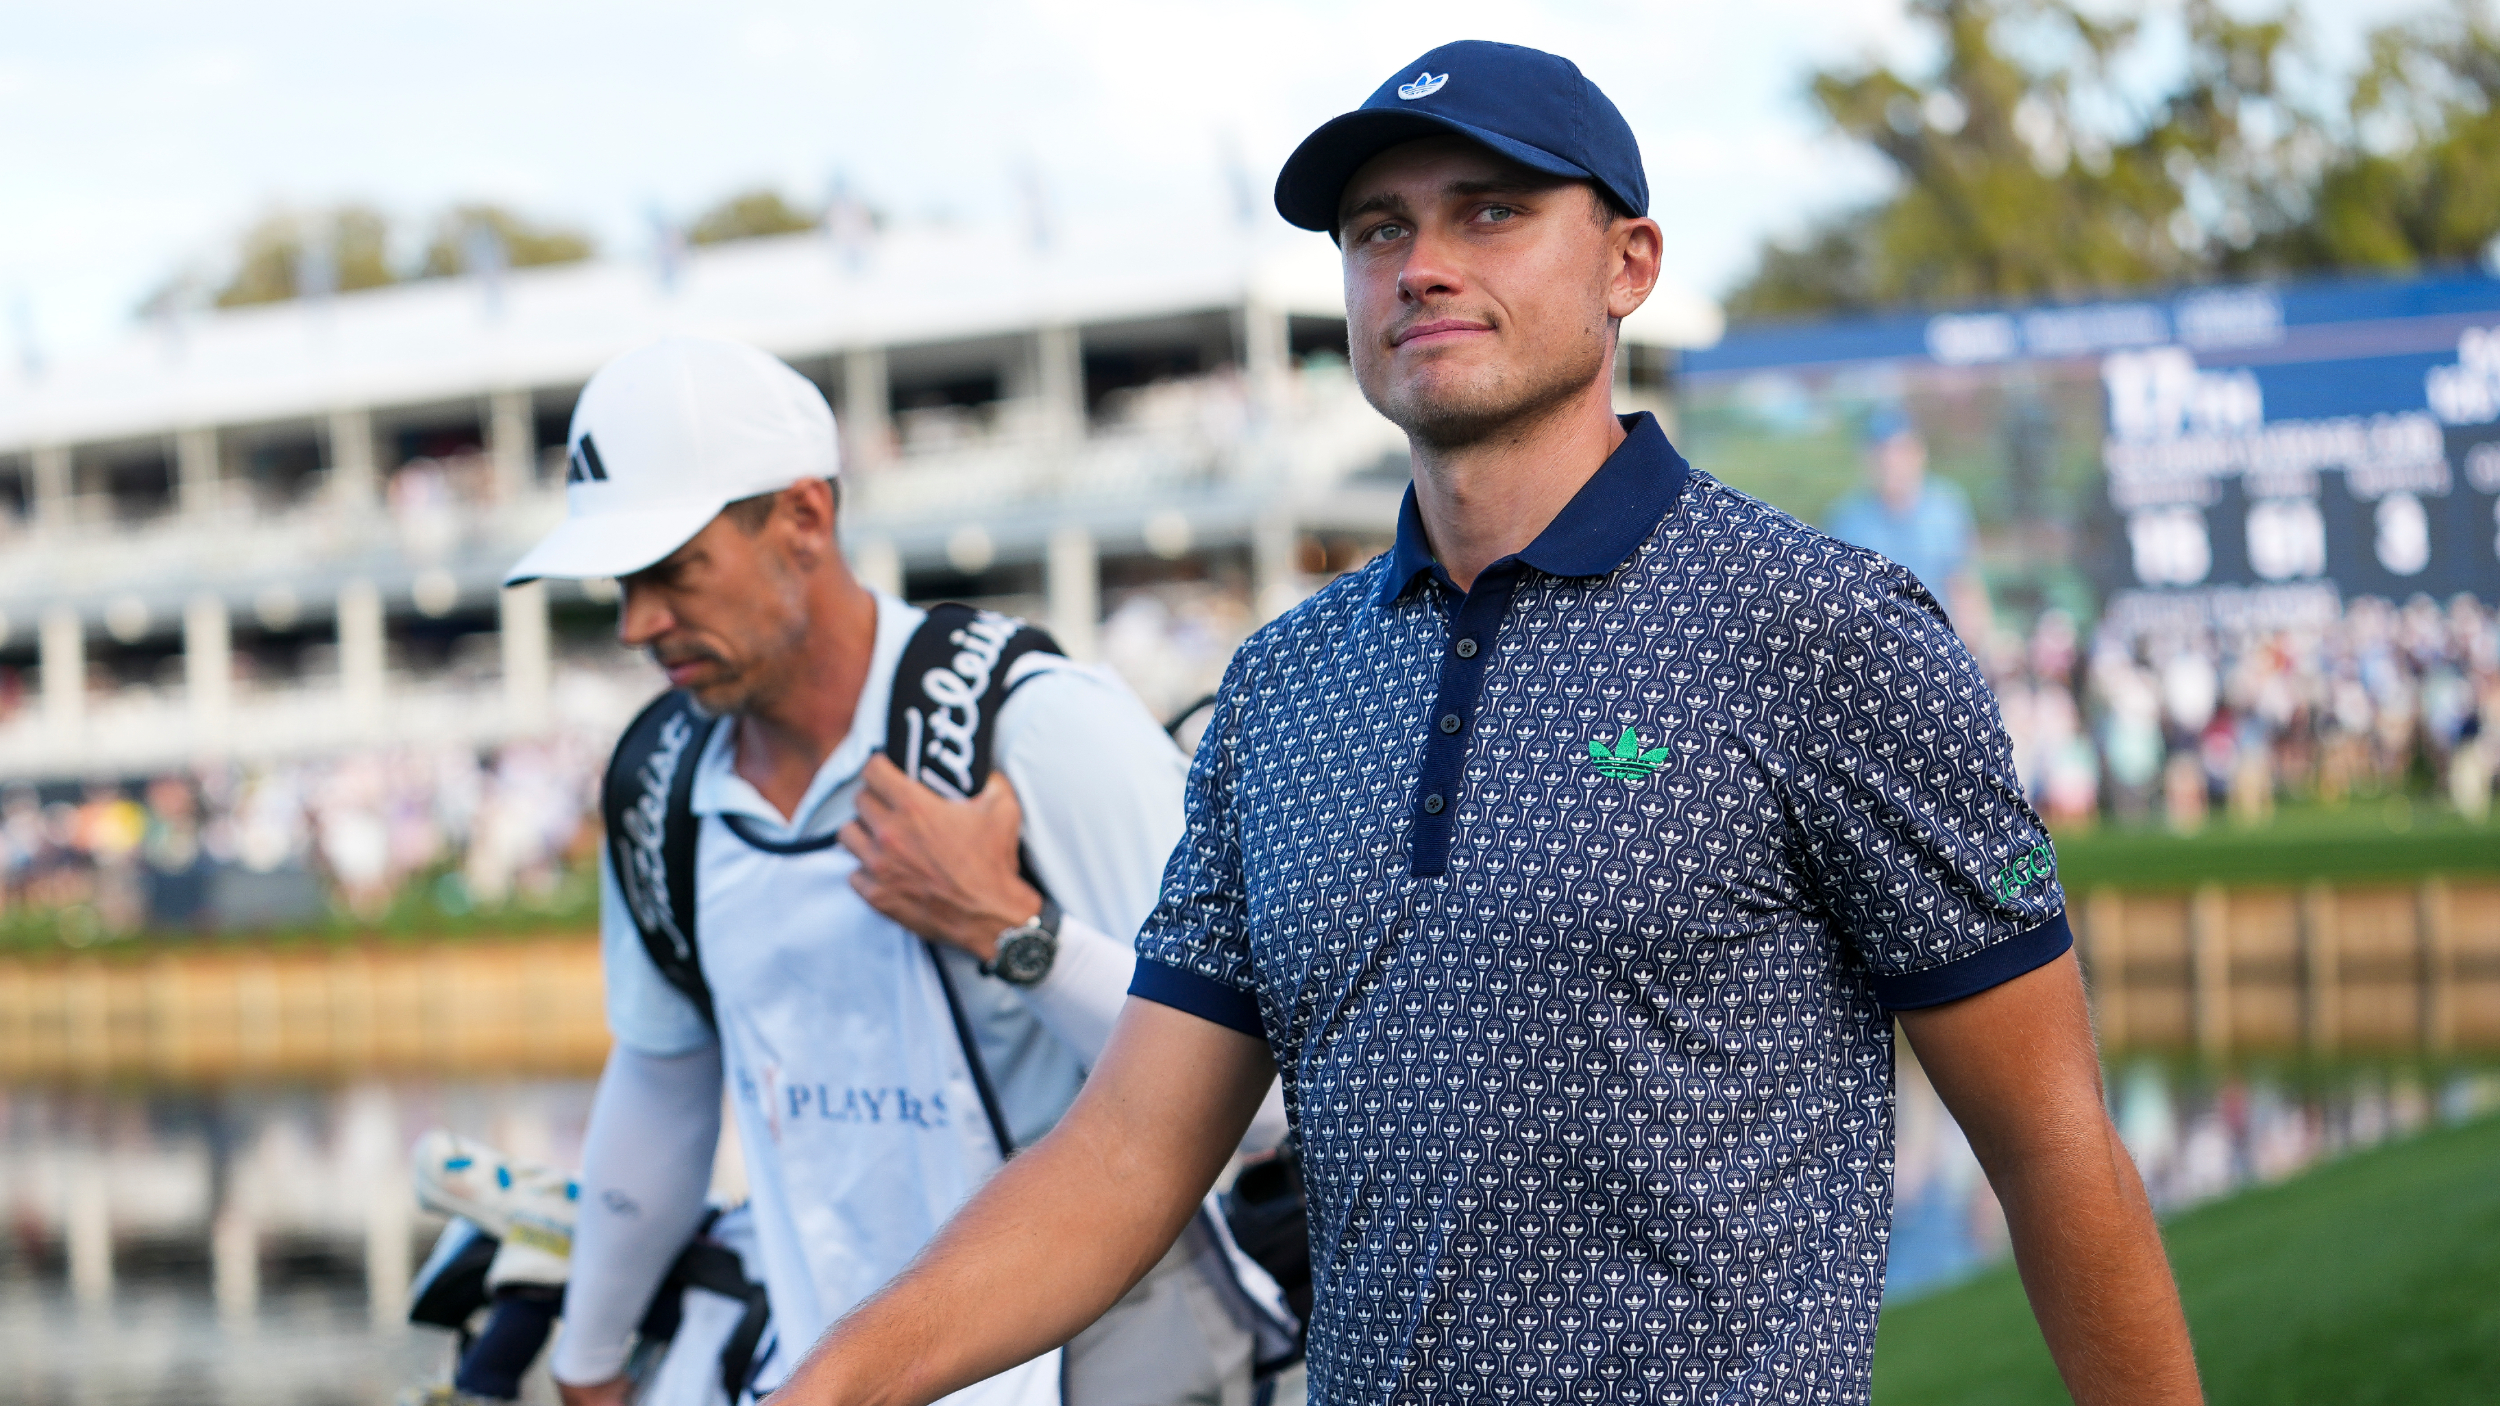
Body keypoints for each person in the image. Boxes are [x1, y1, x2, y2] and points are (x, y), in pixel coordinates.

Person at [768, 40, 2201, 1406]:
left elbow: (2052, 1142)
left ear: (1628, 262)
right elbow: (1132, 1152)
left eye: (1494, 212)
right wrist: (841, 1373)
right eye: (1379, 231)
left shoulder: (1820, 630)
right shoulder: (1281, 691)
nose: (1425, 265)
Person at [506, 335, 1285, 1406]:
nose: (639, 622)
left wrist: (1011, 928)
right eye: (619, 583)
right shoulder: (658, 781)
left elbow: (1264, 1103)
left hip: (1094, 1364)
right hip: (831, 1371)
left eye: (674, 571)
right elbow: (662, 1075)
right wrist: (590, 1361)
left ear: (804, 517)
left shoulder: (1039, 724)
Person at [1825, 406, 1996, 643]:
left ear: (1918, 452)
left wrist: (1976, 649)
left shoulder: (1946, 507)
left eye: (1899, 450)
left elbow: (1964, 586)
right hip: (1876, 647)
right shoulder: (1847, 520)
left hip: (1938, 643)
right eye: (1881, 451)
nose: (1890, 461)